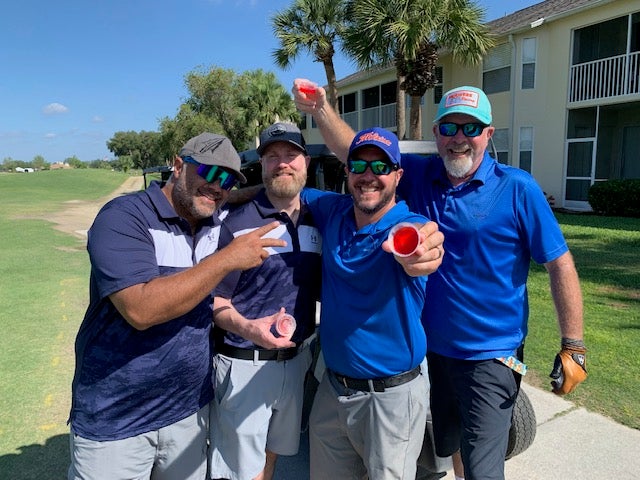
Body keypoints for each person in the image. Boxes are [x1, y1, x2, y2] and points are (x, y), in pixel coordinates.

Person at [292, 80, 587, 480]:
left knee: (484, 467)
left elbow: (560, 264)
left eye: (470, 128)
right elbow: (357, 153)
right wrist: (322, 110)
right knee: (450, 451)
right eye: (449, 128)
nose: (459, 139)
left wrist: (573, 344)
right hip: (433, 352)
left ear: (488, 133)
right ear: (436, 133)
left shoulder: (518, 188)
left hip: (490, 355)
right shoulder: (421, 174)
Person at [67, 132, 286, 480]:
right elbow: (141, 310)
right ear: (179, 164)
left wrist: (282, 186)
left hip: (188, 413)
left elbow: (231, 199)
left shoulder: (212, 220)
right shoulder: (124, 218)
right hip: (116, 420)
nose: (218, 186)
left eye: (227, 180)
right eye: (211, 173)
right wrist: (226, 260)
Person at [302, 126, 439, 480]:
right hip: (333, 392)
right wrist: (230, 196)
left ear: (398, 175)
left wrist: (419, 253)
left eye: (380, 167)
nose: (368, 175)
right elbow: (284, 192)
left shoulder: (409, 226)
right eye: (359, 166)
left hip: (390, 399)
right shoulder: (332, 211)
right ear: (346, 172)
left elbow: (422, 246)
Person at [208, 122, 321, 480]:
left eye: (291, 155)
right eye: (273, 157)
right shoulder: (237, 222)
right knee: (239, 471)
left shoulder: (320, 219)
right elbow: (213, 301)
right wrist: (247, 327)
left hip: (296, 360)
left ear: (306, 163)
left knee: (271, 458)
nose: (282, 164)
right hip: (245, 364)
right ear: (262, 166)